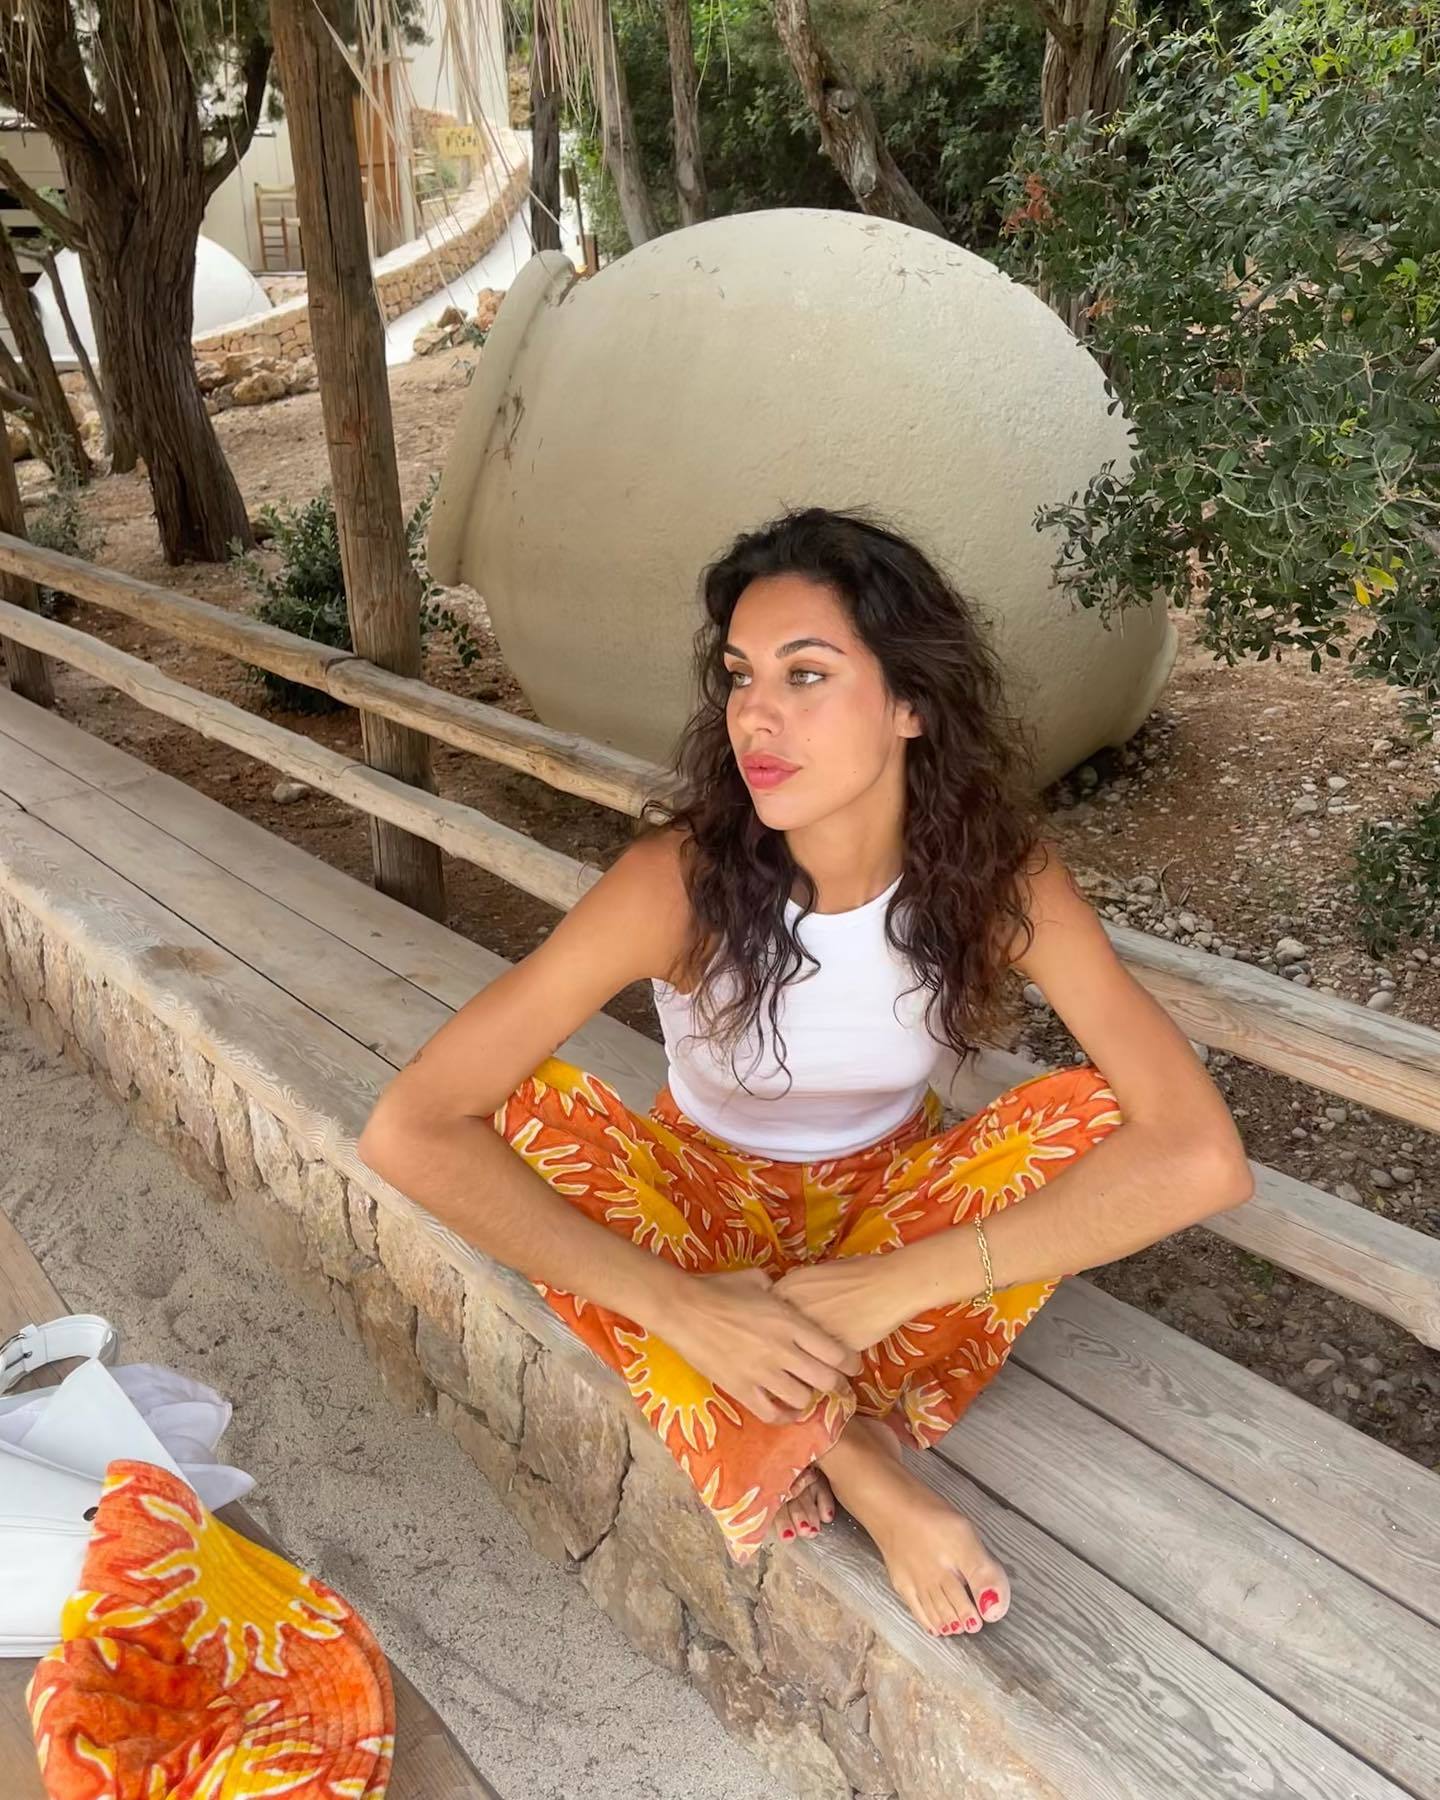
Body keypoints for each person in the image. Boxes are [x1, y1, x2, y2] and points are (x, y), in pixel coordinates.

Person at [357, 507, 1253, 1640]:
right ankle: (862, 1459)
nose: (755, 714)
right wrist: (680, 1304)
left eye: (807, 673)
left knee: (1097, 1113)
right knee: (522, 1116)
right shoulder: (675, 886)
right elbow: (411, 1125)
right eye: (740, 675)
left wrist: (897, 1282)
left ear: (912, 702)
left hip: (889, 1215)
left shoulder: (999, 878)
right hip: (700, 1204)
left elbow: (1201, 1155)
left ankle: (777, 1407)